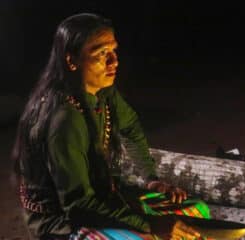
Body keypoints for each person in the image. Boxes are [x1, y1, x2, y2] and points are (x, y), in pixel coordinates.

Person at [12, 13, 209, 240]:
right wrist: (149, 225)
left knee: (196, 211)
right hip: (62, 222)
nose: (114, 61)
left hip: (102, 199)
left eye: (114, 51)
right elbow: (79, 205)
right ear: (71, 61)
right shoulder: (64, 119)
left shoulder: (104, 92)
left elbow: (131, 126)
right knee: (150, 236)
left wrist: (150, 178)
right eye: (101, 53)